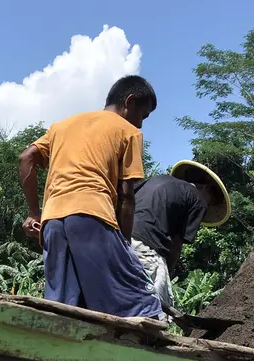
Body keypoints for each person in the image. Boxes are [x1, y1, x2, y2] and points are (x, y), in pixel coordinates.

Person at [17, 75, 162, 319]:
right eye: (143, 116)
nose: (141, 125)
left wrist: (34, 212)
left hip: (52, 223)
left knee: (64, 309)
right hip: (92, 217)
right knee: (139, 302)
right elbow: (127, 197)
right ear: (130, 101)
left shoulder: (61, 126)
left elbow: (25, 158)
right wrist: (124, 246)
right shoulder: (127, 131)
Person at [129, 160, 230, 313]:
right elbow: (176, 245)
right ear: (207, 190)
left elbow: (127, 200)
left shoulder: (157, 179)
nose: (207, 206)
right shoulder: (198, 199)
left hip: (119, 240)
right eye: (211, 202)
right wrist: (167, 272)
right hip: (146, 247)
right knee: (154, 309)